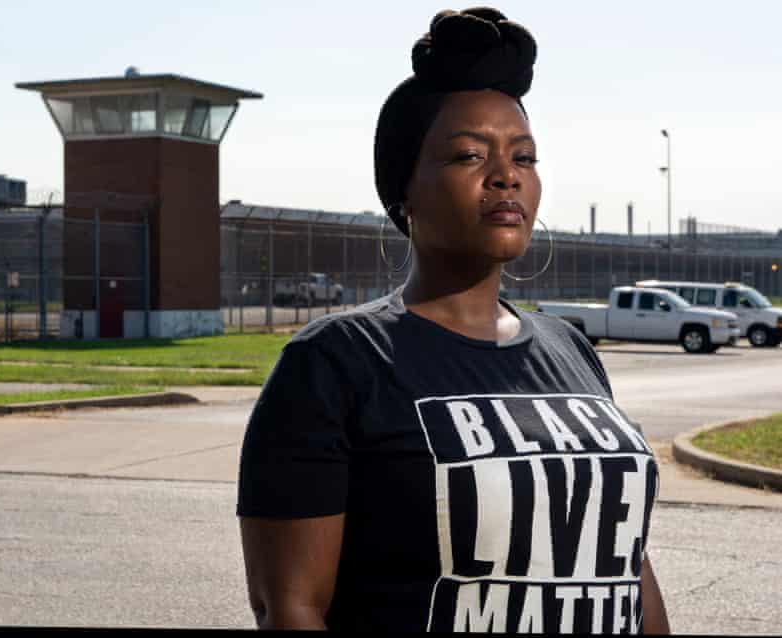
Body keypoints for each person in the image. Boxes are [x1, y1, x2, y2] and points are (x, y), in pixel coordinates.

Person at [237, 7, 670, 633]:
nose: (505, 176)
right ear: (403, 192)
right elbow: (291, 608)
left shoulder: (570, 349)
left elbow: (623, 565)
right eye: (470, 155)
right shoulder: (335, 363)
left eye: (524, 157)